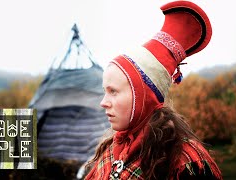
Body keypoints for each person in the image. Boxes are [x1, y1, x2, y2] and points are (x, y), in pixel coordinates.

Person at [85, 0, 223, 180]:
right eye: (105, 91)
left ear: (143, 96)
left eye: (114, 91)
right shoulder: (111, 151)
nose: (103, 102)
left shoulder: (183, 162)